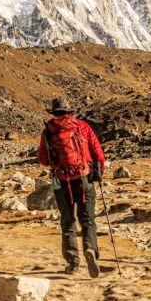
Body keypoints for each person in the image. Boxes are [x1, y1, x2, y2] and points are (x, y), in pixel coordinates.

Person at [37, 97, 106, 278]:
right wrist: (98, 172)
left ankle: (72, 262)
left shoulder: (48, 131)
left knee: (68, 222)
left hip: (62, 181)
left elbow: (43, 159)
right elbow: (98, 151)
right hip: (84, 179)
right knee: (87, 219)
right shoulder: (82, 126)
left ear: (54, 112)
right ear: (69, 111)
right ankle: (90, 249)